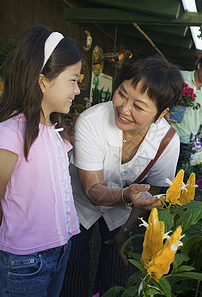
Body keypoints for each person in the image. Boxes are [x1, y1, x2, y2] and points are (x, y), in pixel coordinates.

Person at [61, 55, 184, 296]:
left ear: (162, 113)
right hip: (80, 203)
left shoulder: (167, 141)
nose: (124, 109)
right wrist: (127, 195)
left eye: (138, 106)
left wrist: (125, 233)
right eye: (122, 93)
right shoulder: (91, 121)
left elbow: (152, 194)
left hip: (125, 211)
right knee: (72, 265)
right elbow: (92, 190)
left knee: (118, 271)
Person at [0, 24, 82, 297]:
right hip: (23, 264)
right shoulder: (9, 135)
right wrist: (13, 242)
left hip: (59, 252)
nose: (78, 90)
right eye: (73, 80)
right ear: (43, 80)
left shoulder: (56, 132)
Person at [166, 52, 202, 164]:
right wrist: (164, 113)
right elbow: (161, 96)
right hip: (167, 134)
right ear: (199, 65)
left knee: (179, 173)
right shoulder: (180, 77)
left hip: (187, 141)